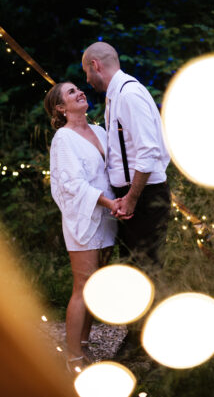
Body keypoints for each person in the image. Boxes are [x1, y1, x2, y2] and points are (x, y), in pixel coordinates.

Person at [44, 82, 120, 373]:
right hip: (84, 217)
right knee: (83, 285)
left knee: (96, 285)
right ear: (61, 108)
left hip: (108, 215)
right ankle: (72, 357)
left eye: (79, 89)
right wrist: (106, 202)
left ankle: (85, 344)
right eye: (72, 93)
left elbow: (112, 171)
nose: (80, 93)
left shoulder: (100, 131)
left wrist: (119, 202)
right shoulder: (64, 138)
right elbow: (71, 184)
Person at [81, 41, 171, 269]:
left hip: (145, 197)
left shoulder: (129, 95)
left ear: (95, 65)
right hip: (133, 195)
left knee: (145, 270)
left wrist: (131, 197)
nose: (87, 80)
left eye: (86, 72)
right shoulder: (115, 95)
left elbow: (148, 152)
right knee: (132, 270)